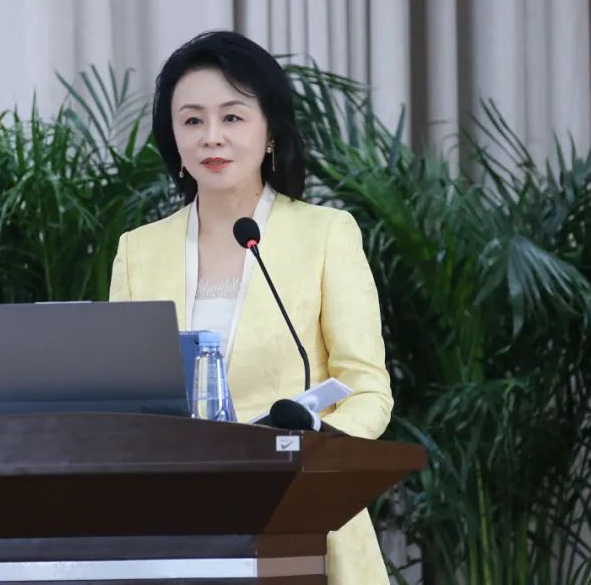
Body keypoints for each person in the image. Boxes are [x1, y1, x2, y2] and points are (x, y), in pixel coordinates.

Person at [107, 30, 394, 584]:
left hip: (304, 516)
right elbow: (124, 401)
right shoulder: (138, 251)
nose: (211, 136)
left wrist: (314, 449)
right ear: (173, 138)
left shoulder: (326, 234)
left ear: (269, 133)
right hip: (176, 525)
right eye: (192, 120)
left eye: (232, 117)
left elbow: (367, 389)